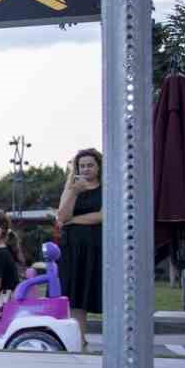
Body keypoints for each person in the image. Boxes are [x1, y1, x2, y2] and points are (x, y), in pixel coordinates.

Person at [55, 148, 102, 351]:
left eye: (90, 165)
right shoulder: (71, 188)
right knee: (75, 295)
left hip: (96, 245)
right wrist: (74, 191)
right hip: (72, 247)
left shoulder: (107, 187)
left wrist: (73, 220)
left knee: (95, 291)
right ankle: (79, 339)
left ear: (99, 166)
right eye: (82, 165)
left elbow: (102, 216)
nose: (86, 169)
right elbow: (62, 217)